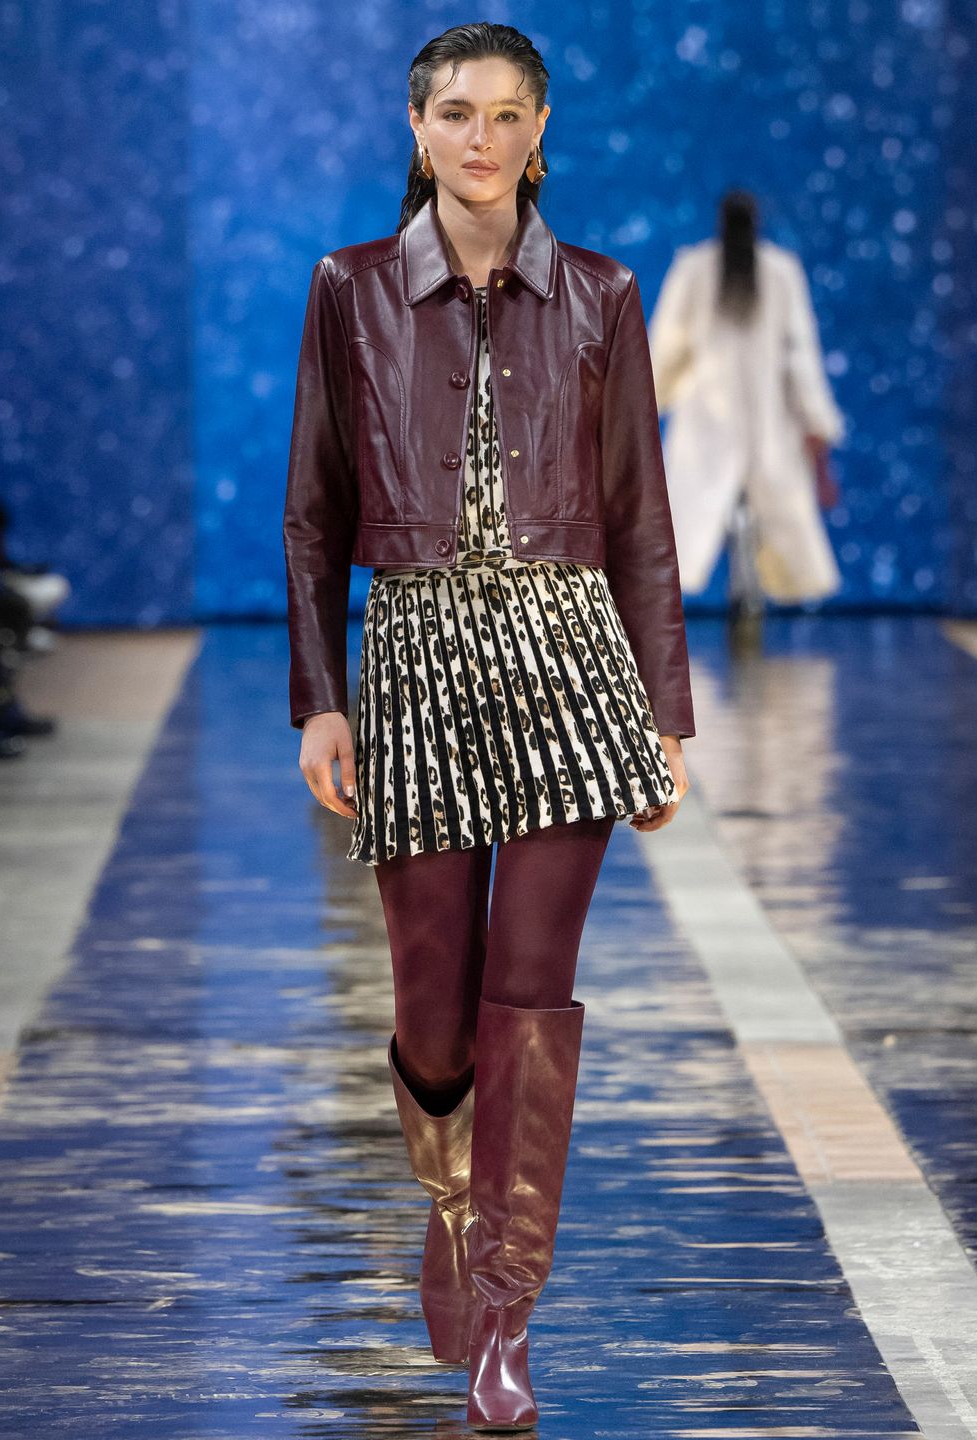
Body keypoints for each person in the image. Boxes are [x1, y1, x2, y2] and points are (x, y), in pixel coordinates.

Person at [282, 22, 694, 1432]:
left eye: (504, 114)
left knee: (533, 997)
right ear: (416, 128)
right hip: (415, 657)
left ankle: (511, 1313)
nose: (478, 137)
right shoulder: (347, 290)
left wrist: (668, 713)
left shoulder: (602, 291)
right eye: (454, 112)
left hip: (571, 656)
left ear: (539, 129)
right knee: (435, 1011)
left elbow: (642, 515)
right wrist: (320, 702)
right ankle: (451, 1204)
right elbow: (311, 516)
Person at [648, 190, 846, 645]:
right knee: (762, 515)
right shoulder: (781, 271)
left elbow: (668, 346)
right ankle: (750, 603)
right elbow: (800, 358)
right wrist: (817, 420)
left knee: (699, 518)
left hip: (708, 426)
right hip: (766, 424)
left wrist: (650, 402)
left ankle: (743, 598)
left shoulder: (695, 268)